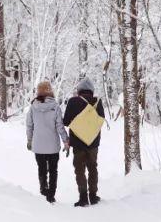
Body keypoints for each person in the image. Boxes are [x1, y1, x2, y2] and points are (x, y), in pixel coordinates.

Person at [62, 78, 105, 207]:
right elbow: (100, 120)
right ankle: (93, 196)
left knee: (79, 169)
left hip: (78, 142)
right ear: (91, 90)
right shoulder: (97, 102)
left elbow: (66, 122)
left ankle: (83, 198)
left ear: (79, 90)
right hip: (93, 142)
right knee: (93, 168)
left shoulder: (73, 101)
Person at [26, 80, 68, 203]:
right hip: (53, 146)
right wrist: (65, 140)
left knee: (42, 168)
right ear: (50, 91)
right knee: (53, 170)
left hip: (38, 145)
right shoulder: (55, 107)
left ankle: (43, 189)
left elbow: (29, 125)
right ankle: (51, 195)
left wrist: (29, 140)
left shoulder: (33, 107)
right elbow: (60, 126)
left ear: (38, 92)